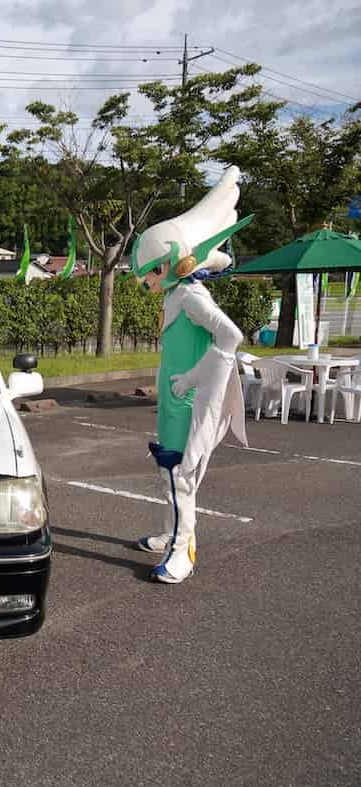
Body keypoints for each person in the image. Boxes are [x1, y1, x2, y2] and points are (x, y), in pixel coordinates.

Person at [127, 167, 252, 584]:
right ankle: (170, 533)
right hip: (172, 402)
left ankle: (183, 550)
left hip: (185, 403)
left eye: (150, 271)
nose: (145, 279)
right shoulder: (176, 295)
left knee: (182, 478)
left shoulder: (193, 295)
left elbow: (230, 336)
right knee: (167, 471)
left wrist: (193, 379)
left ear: (170, 262)